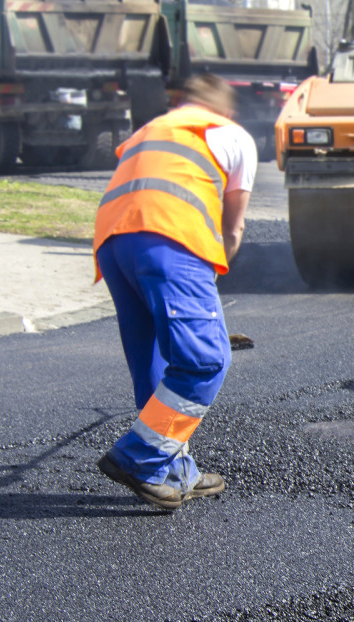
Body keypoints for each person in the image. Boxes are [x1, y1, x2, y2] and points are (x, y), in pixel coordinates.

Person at [92, 74, 257, 508]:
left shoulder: (151, 129)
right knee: (205, 360)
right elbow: (232, 228)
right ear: (225, 109)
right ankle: (139, 457)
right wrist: (208, 279)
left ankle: (174, 470)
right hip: (170, 238)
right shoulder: (232, 135)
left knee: (154, 361)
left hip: (113, 242)